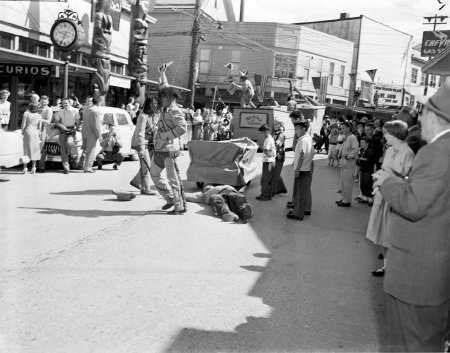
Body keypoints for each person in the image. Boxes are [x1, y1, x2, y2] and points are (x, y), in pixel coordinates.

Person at [371, 80, 450, 352]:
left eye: (422, 113)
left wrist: (387, 181)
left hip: (416, 276)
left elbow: (414, 204)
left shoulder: (437, 152)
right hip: (434, 275)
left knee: (406, 344)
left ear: (433, 116)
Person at [366, 120, 414, 277]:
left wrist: (390, 177)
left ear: (394, 134)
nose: (384, 136)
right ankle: (386, 265)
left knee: (391, 234)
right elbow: (384, 168)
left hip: (395, 198)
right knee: (383, 233)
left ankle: (393, 267)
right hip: (384, 194)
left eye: (386, 133)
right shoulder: (389, 150)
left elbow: (408, 178)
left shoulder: (407, 153)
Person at [150, 63, 187, 214]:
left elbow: (182, 127)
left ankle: (179, 206)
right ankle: (169, 198)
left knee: (173, 180)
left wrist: (165, 135)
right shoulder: (165, 107)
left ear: (169, 98)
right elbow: (164, 87)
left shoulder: (174, 110)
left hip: (169, 149)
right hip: (159, 148)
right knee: (154, 175)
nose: (161, 98)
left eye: (163, 96)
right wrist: (162, 73)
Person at [287, 117, 315, 220]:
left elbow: (301, 156)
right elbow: (311, 153)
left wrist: (297, 169)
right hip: (306, 168)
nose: (296, 132)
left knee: (299, 193)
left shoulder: (303, 141)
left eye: (297, 129)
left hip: (302, 170)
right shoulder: (308, 139)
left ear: (303, 129)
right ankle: (304, 209)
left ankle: (298, 213)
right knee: (304, 191)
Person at [129, 96, 158, 195]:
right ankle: (146, 188)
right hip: (141, 143)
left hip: (149, 144)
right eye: (154, 104)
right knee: (146, 166)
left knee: (145, 165)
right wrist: (141, 148)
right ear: (150, 105)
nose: (156, 106)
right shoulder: (143, 116)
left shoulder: (152, 116)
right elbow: (140, 132)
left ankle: (136, 182)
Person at [185, 184, 254, 224]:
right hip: (229, 194)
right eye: (206, 189)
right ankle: (239, 212)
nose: (207, 189)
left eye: (207, 188)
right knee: (237, 201)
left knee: (217, 198)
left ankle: (236, 213)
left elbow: (192, 196)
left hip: (227, 194)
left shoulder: (208, 193)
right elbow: (192, 196)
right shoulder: (206, 194)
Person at [54, 98, 81, 174]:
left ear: (69, 103)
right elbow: (56, 122)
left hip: (72, 130)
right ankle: (66, 168)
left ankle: (72, 155)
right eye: (63, 103)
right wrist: (61, 125)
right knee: (63, 150)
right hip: (62, 130)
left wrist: (75, 129)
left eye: (66, 103)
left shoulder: (75, 110)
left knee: (69, 143)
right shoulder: (60, 111)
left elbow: (79, 122)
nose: (65, 105)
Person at [336, 121, 359, 207]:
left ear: (349, 128)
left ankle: (346, 201)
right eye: (341, 128)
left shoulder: (352, 137)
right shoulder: (346, 137)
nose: (342, 130)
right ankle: (343, 198)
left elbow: (355, 149)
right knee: (343, 182)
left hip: (348, 162)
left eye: (344, 128)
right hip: (344, 162)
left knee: (347, 182)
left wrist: (348, 156)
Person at [78, 96, 102, 173]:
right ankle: (88, 167)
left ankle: (81, 164)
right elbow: (97, 125)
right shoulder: (96, 111)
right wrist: (99, 135)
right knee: (91, 150)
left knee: (85, 150)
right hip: (92, 133)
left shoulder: (87, 109)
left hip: (85, 132)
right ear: (99, 102)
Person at [256, 124, 276, 201]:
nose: (262, 134)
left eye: (262, 132)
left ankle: (265, 195)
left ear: (266, 131)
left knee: (265, 180)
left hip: (268, 162)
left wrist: (269, 154)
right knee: (269, 179)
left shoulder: (268, 140)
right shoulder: (271, 139)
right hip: (271, 161)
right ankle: (269, 194)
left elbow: (266, 150)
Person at [21, 102, 42, 174]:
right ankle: (34, 167)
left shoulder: (26, 114)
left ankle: (25, 167)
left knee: (26, 150)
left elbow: (23, 126)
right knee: (34, 150)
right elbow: (39, 127)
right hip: (35, 134)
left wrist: (21, 131)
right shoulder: (39, 115)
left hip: (27, 133)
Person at [355, 137, 377, 204]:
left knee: (368, 184)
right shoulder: (361, 150)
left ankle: (371, 198)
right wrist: (358, 160)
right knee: (362, 184)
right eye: (361, 142)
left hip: (368, 170)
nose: (361, 144)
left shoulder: (370, 151)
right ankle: (365, 197)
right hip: (362, 169)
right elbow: (359, 161)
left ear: (367, 143)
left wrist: (361, 158)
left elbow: (371, 160)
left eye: (363, 142)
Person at [36, 95, 53, 173]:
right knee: (34, 148)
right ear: (40, 101)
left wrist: (37, 118)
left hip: (44, 129)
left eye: (45, 102)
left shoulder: (49, 110)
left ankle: (41, 166)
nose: (43, 103)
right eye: (42, 102)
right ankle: (34, 165)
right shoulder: (37, 108)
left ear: (48, 102)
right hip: (34, 129)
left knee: (41, 148)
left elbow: (48, 121)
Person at [271, 119, 287, 196]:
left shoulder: (281, 134)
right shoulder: (275, 133)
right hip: (275, 157)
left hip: (279, 157)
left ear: (280, 125)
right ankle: (281, 189)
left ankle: (273, 191)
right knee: (275, 173)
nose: (275, 126)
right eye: (274, 124)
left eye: (276, 124)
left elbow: (277, 144)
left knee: (275, 174)